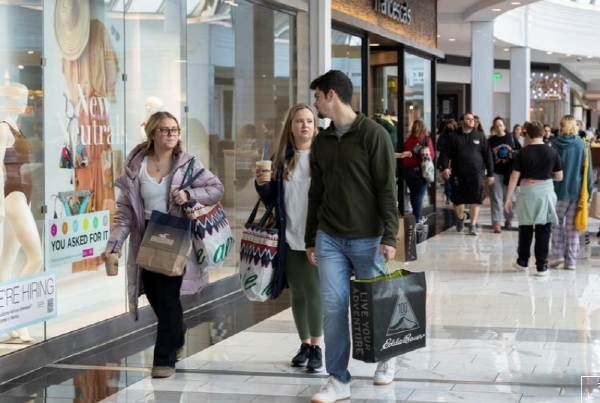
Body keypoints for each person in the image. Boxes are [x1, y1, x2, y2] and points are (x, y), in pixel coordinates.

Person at [102, 111, 224, 378]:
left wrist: (189, 194)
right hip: (147, 239)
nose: (171, 135)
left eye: (175, 130)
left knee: (168, 298)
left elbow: (216, 189)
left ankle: (164, 359)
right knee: (156, 296)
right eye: (165, 130)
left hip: (177, 237)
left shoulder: (189, 165)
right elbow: (125, 213)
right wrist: (114, 244)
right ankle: (177, 333)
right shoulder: (137, 167)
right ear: (153, 133)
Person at [305, 70, 399, 403]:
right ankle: (338, 379)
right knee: (333, 307)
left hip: (368, 238)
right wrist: (310, 238)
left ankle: (387, 358)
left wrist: (390, 234)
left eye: (316, 96)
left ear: (331, 95)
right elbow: (316, 191)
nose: (314, 103)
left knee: (375, 305)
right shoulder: (323, 141)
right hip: (329, 237)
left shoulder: (373, 134)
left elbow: (387, 187)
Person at [254, 103, 324, 372]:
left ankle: (318, 346)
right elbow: (272, 199)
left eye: (309, 121)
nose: (304, 125)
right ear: (290, 126)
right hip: (288, 233)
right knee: (297, 291)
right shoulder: (281, 158)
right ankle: (304, 343)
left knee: (314, 290)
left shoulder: (322, 156)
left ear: (315, 126)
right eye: (299, 121)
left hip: (316, 234)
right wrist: (262, 185)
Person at [0, 81, 41, 342]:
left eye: (25, 96)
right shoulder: (3, 128)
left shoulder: (15, 126)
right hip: (12, 197)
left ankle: (7, 322)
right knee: (36, 258)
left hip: (22, 195)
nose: (22, 102)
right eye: (17, 97)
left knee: (5, 264)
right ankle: (17, 317)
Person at [504, 121, 563, 277]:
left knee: (525, 228)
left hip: (527, 193)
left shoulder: (522, 152)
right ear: (543, 133)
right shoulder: (552, 152)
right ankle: (541, 266)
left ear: (527, 134)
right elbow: (559, 176)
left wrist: (508, 198)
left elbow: (514, 176)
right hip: (546, 193)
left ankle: (522, 262)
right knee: (544, 229)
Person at [548, 115, 593, 271]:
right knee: (573, 227)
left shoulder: (554, 144)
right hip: (576, 191)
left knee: (556, 223)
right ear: (575, 126)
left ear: (561, 126)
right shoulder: (583, 145)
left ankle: (558, 255)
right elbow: (588, 171)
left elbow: (550, 168)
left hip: (557, 189)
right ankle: (571, 261)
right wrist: (589, 191)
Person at [438, 113, 494, 235]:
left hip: (477, 174)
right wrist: (445, 167)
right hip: (459, 174)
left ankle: (472, 225)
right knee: (458, 201)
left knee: (476, 199)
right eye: (468, 119)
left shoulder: (480, 136)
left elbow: (488, 155)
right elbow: (445, 153)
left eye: (472, 119)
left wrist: (490, 173)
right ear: (461, 121)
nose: (471, 121)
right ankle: (460, 218)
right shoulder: (453, 137)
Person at [488, 116, 520, 232]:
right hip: (496, 172)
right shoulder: (491, 141)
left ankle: (509, 218)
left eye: (501, 125)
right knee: (496, 198)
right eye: (496, 126)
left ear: (505, 126)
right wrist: (489, 173)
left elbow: (520, 152)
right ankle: (496, 222)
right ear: (494, 128)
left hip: (509, 173)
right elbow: (488, 157)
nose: (499, 128)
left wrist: (513, 154)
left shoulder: (511, 138)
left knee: (510, 197)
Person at [402, 119, 435, 223]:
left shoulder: (408, 140)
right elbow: (432, 155)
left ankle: (416, 215)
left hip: (408, 171)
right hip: (421, 171)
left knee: (413, 193)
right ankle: (417, 217)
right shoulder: (425, 139)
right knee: (419, 195)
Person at [436, 119, 458, 205]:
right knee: (447, 179)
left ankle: (452, 195)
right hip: (445, 160)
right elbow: (439, 147)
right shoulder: (443, 136)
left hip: (455, 160)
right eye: (448, 125)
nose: (450, 127)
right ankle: (448, 196)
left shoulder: (457, 135)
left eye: (451, 125)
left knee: (453, 179)